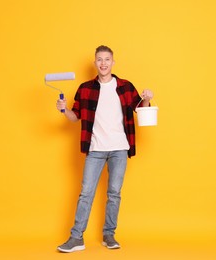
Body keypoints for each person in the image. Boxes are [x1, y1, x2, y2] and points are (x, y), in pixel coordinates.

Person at [56, 45, 153, 253]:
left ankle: (109, 234)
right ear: (95, 63)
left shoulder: (125, 86)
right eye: (99, 59)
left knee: (114, 193)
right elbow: (75, 117)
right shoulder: (85, 88)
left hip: (119, 148)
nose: (103, 63)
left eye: (107, 59)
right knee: (86, 193)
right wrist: (63, 110)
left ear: (113, 62)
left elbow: (141, 111)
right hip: (95, 149)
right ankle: (76, 238)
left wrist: (146, 98)